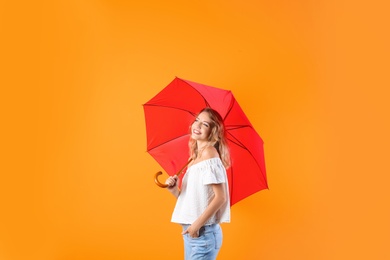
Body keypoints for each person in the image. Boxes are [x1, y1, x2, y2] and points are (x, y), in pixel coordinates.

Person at [165, 107, 231, 260]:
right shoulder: (193, 159)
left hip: (203, 233)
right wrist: (174, 190)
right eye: (197, 121)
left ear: (213, 131)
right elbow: (192, 201)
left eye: (205, 124)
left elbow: (221, 197)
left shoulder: (209, 153)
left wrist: (197, 225)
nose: (198, 126)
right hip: (191, 232)